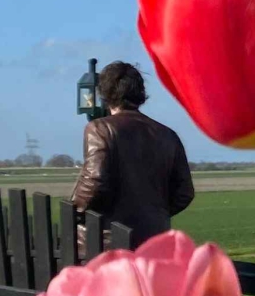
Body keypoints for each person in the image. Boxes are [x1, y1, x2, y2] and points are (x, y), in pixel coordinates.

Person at [71, 61, 194, 248]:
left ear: (104, 94)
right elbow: (184, 192)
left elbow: (94, 181)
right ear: (140, 93)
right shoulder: (168, 135)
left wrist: (73, 212)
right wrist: (153, 214)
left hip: (106, 242)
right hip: (154, 239)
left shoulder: (99, 129)